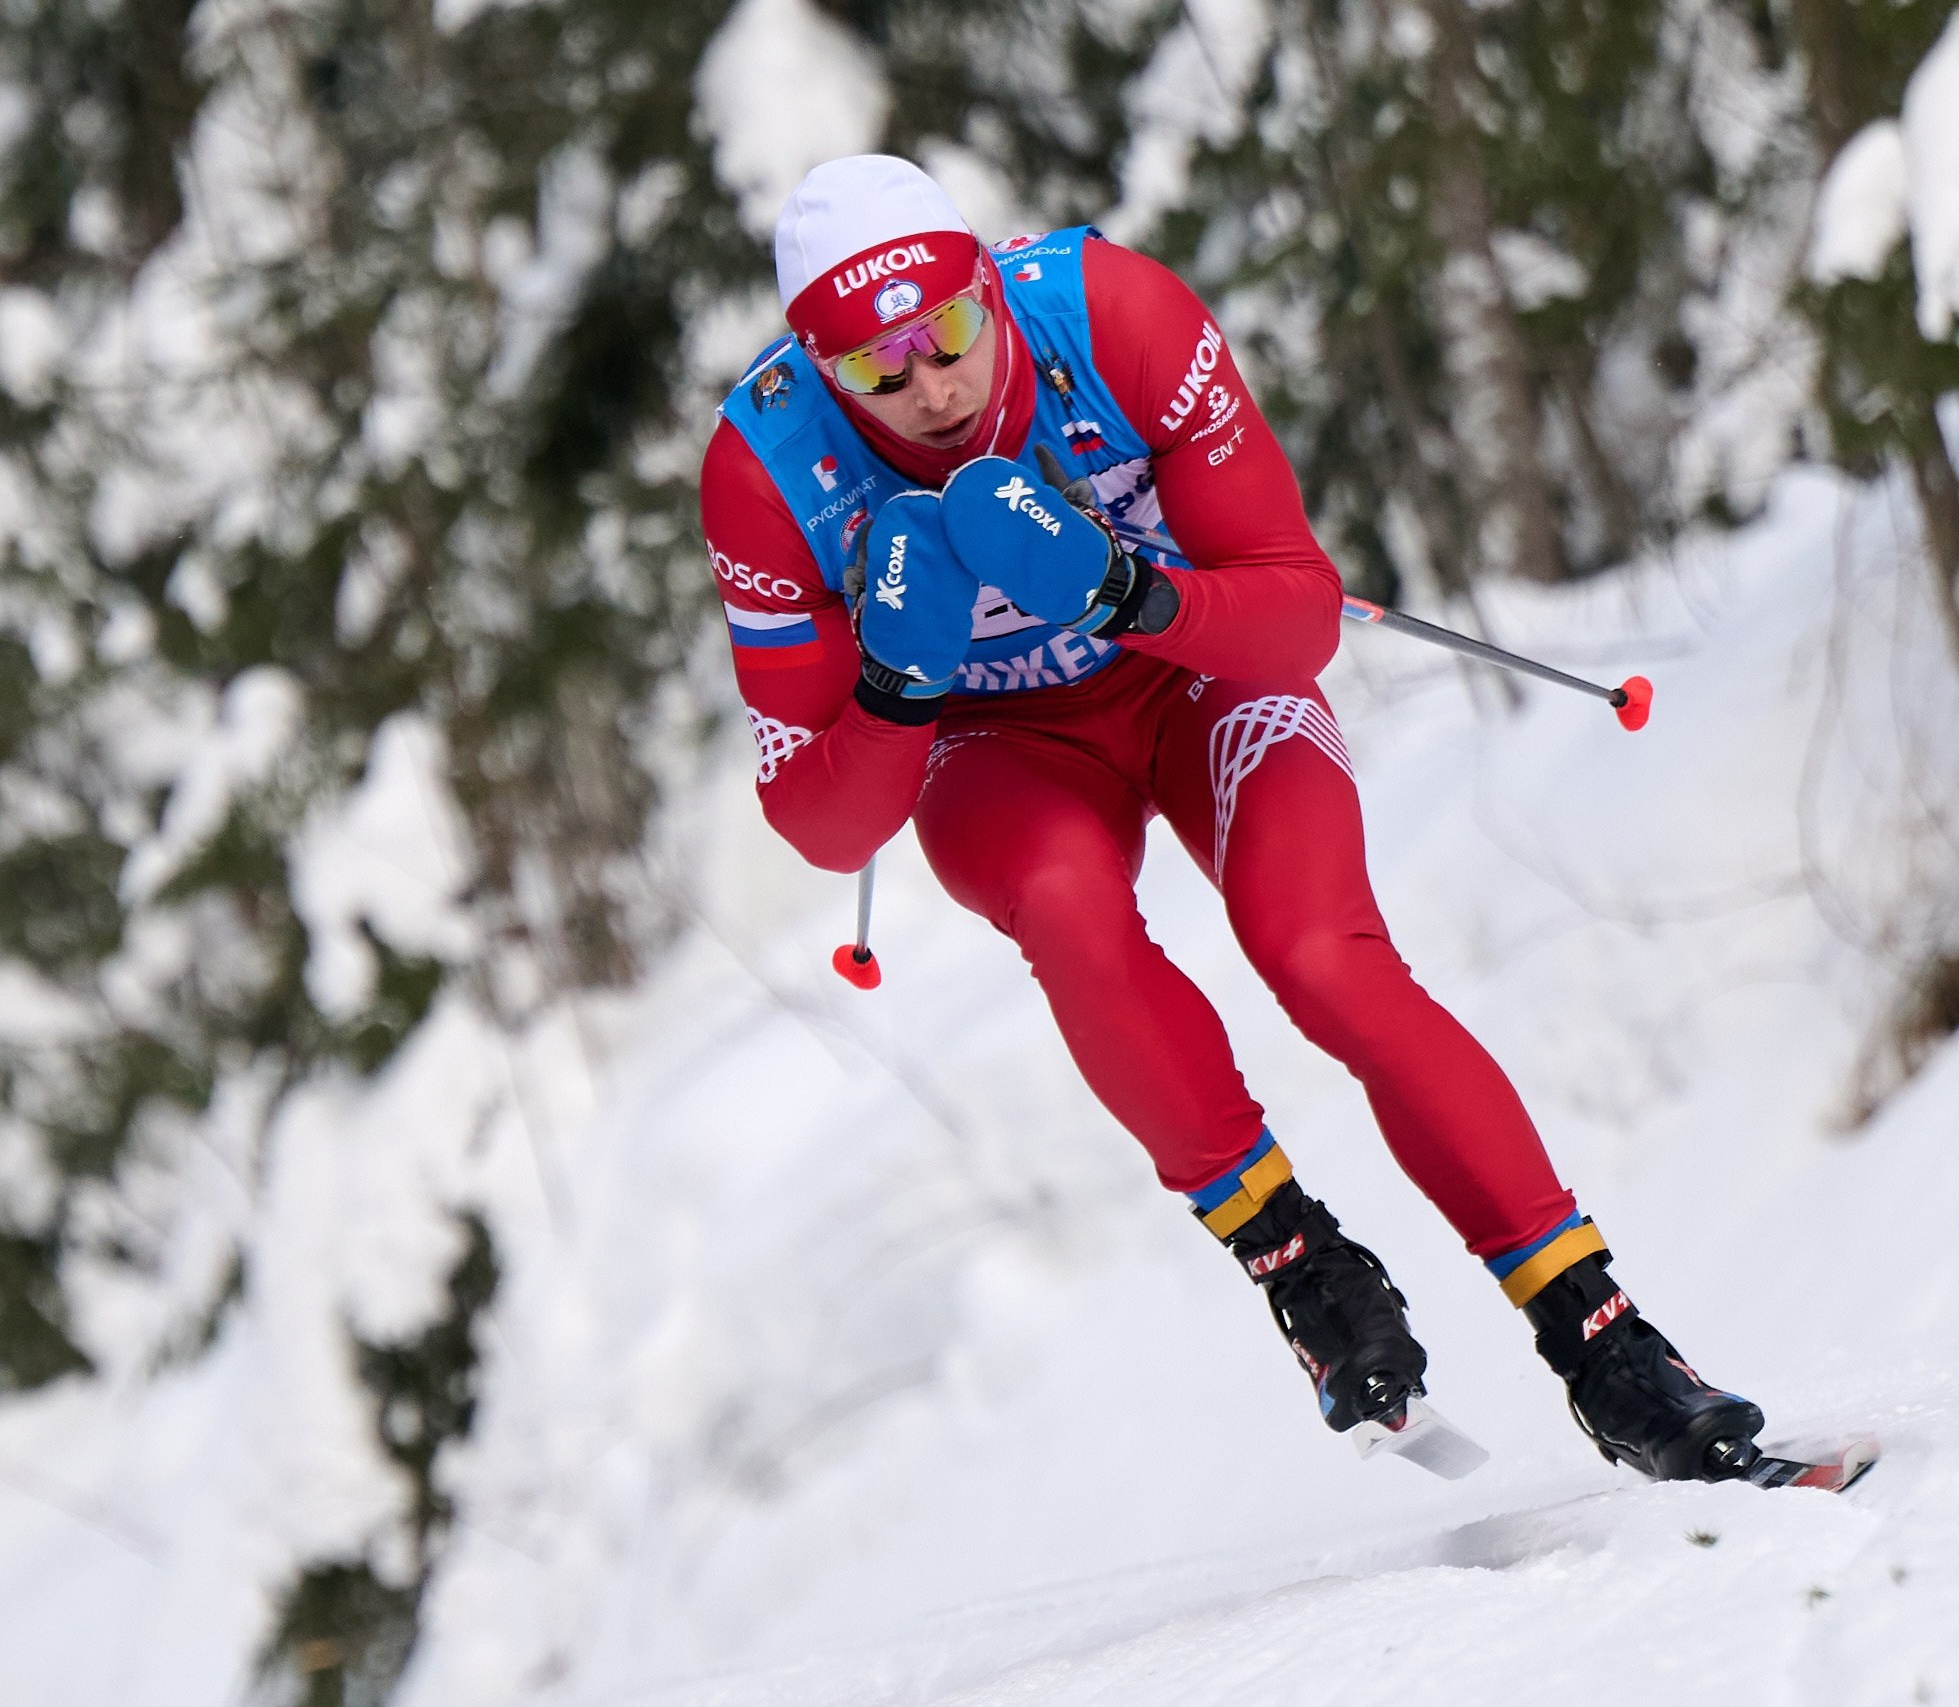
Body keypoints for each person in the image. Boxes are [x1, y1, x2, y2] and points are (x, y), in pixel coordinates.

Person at [699, 154, 1766, 1481]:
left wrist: (1127, 594)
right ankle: (1302, 1267)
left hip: (1199, 677)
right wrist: (895, 687)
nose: (932, 387)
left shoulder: (1110, 318)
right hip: (1001, 746)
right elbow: (827, 827)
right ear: (820, 369)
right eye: (878, 368)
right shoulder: (769, 470)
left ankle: (1605, 1342)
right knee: (1068, 911)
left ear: (989, 283)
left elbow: (1299, 617)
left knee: (1322, 954)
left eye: (952, 332)